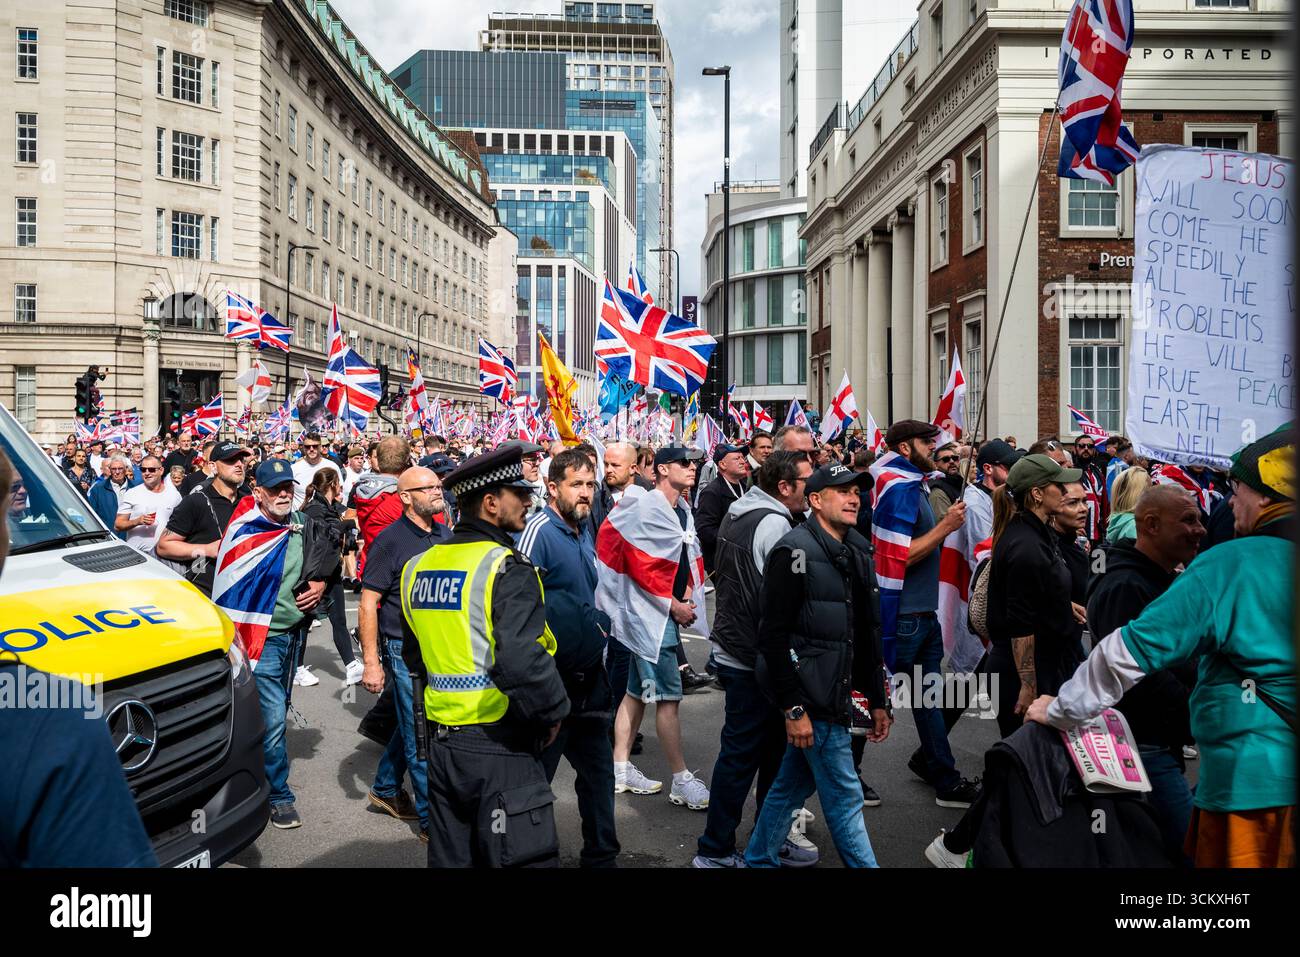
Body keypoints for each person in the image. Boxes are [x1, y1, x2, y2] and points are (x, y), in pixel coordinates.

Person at [1028, 429, 1294, 867]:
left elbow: (1122, 656)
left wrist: (1059, 710)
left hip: (1255, 792)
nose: (1228, 504)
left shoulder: (1230, 566)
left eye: (1237, 488)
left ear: (1266, 497)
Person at [401, 444, 570, 867]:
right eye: (519, 492)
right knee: (519, 857)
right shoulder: (505, 566)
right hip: (501, 743)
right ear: (491, 503)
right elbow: (519, 659)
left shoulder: (417, 567)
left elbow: (413, 656)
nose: (529, 500)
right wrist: (552, 712)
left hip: (444, 748)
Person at [744, 462, 892, 867]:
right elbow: (772, 638)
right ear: (814, 500)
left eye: (857, 492)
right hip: (814, 697)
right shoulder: (794, 551)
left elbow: (865, 633)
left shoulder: (858, 547)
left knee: (789, 788)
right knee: (846, 800)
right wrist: (794, 707)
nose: (852, 498)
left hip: (839, 693)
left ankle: (757, 859)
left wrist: (877, 700)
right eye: (842, 491)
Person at [694, 450, 817, 868]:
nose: (812, 490)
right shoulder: (775, 522)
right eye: (807, 483)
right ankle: (718, 849)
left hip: (738, 648)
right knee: (753, 756)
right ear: (784, 487)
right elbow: (782, 599)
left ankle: (754, 840)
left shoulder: (741, 508)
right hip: (755, 656)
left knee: (756, 754)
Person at [210, 458, 334, 830]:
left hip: (294, 634)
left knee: (275, 710)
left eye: (288, 487)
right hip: (260, 641)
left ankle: (249, 771)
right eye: (275, 488)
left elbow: (327, 550)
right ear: (257, 492)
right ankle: (277, 794)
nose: (284, 494)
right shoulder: (245, 529)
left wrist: (321, 583)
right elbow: (230, 586)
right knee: (276, 718)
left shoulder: (302, 524)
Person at [1084, 484, 1203, 861]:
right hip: (1140, 747)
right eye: (1188, 520)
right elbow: (1135, 675)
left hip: (1159, 744)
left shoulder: (1160, 579)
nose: (1199, 528)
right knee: (1191, 850)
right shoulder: (1125, 585)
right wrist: (1198, 710)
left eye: (1199, 519)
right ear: (1151, 524)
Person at [517, 449, 621, 867]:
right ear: (552, 487)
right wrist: (538, 684)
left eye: (590, 485)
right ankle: (529, 856)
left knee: (599, 776)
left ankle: (602, 857)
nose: (585, 493)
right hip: (552, 682)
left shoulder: (583, 530)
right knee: (536, 779)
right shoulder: (538, 530)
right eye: (576, 484)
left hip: (589, 680)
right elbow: (519, 608)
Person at [603, 446, 712, 811]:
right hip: (650, 619)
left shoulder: (680, 508)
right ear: (662, 469)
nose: (693, 467)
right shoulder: (649, 506)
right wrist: (674, 605)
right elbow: (638, 565)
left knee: (635, 693)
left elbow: (670, 558)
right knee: (668, 699)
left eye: (694, 462)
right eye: (684, 462)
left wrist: (684, 589)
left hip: (657, 615)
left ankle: (619, 768)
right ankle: (681, 780)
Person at [879, 420, 977, 807]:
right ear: (905, 448)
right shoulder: (898, 488)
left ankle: (943, 777)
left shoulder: (916, 484)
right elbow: (897, 556)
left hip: (924, 615)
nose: (935, 449)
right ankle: (844, 781)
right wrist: (946, 527)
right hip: (903, 618)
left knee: (928, 700)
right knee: (875, 700)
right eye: (927, 443)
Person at [359, 466, 452, 842]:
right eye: (426, 487)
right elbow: (368, 604)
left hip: (440, 648)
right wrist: (371, 663)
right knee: (419, 734)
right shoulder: (390, 540)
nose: (436, 491)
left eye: (437, 485)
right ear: (405, 497)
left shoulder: (446, 534)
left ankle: (384, 788)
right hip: (403, 651)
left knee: (408, 721)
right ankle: (432, 823)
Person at [986, 453, 1084, 739]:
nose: (1066, 492)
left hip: (1046, 663)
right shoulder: (1026, 545)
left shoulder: (1036, 533)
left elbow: (1033, 591)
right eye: (1058, 485)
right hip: (1022, 673)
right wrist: (1028, 686)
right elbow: (1020, 624)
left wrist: (1061, 604)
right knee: (1029, 767)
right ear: (1038, 494)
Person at [156, 442, 253, 596]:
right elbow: (164, 546)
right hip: (203, 594)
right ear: (213, 466)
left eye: (241, 460)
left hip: (241, 592)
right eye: (230, 460)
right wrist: (208, 549)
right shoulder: (196, 501)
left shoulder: (249, 501)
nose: (239, 465)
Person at [301, 468, 363, 687]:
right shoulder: (315, 509)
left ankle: (351, 666)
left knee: (339, 620)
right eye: (339, 482)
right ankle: (297, 668)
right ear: (333, 484)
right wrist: (346, 524)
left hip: (332, 572)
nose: (342, 486)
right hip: (316, 575)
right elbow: (325, 538)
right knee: (304, 620)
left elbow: (346, 514)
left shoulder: (329, 506)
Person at [694, 443, 750, 573]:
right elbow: (704, 530)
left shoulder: (746, 487)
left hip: (743, 558)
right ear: (722, 465)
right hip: (722, 563)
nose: (743, 462)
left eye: (743, 458)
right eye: (737, 458)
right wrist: (735, 539)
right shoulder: (711, 492)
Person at [115, 454, 182, 557]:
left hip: (164, 555)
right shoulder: (132, 493)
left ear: (161, 470)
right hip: (138, 555)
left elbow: (179, 525)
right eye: (143, 469)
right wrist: (137, 521)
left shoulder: (174, 495)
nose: (147, 473)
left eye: (151, 469)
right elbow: (118, 524)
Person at [1071, 434, 1109, 545]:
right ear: (1075, 449)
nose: (1086, 449)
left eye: (1090, 446)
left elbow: (1105, 503)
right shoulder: (1071, 473)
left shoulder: (1098, 473)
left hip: (1097, 533)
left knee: (1098, 562)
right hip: (1078, 532)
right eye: (1082, 446)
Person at [291, 432, 342, 510]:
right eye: (308, 447)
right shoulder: (294, 468)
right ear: (304, 448)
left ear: (320, 447)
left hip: (326, 517)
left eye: (315, 446)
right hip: (301, 518)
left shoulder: (332, 466)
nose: (311, 449)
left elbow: (339, 493)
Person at [87, 455, 135, 533]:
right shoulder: (98, 489)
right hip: (109, 535)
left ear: (126, 469)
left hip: (132, 535)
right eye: (113, 469)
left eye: (120, 468)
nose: (117, 472)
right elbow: (92, 515)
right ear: (109, 470)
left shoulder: (135, 487)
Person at [1104, 467, 1151, 544]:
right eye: (1149, 489)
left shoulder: (1119, 519)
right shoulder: (1135, 527)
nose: (1152, 494)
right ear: (1139, 494)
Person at [927, 442, 965, 520]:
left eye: (955, 458)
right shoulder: (937, 492)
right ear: (935, 465)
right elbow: (942, 524)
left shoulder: (961, 482)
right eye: (946, 459)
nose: (951, 461)